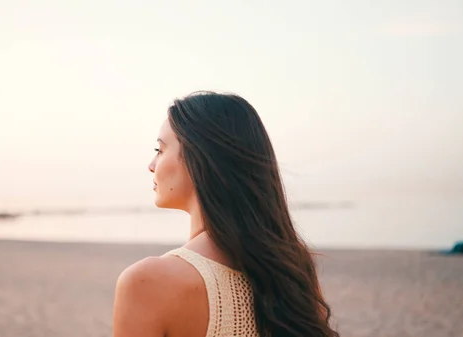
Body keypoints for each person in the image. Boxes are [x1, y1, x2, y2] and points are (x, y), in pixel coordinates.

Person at [112, 91, 339, 337]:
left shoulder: (148, 281)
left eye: (160, 149)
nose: (151, 165)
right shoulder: (292, 267)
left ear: (199, 158)